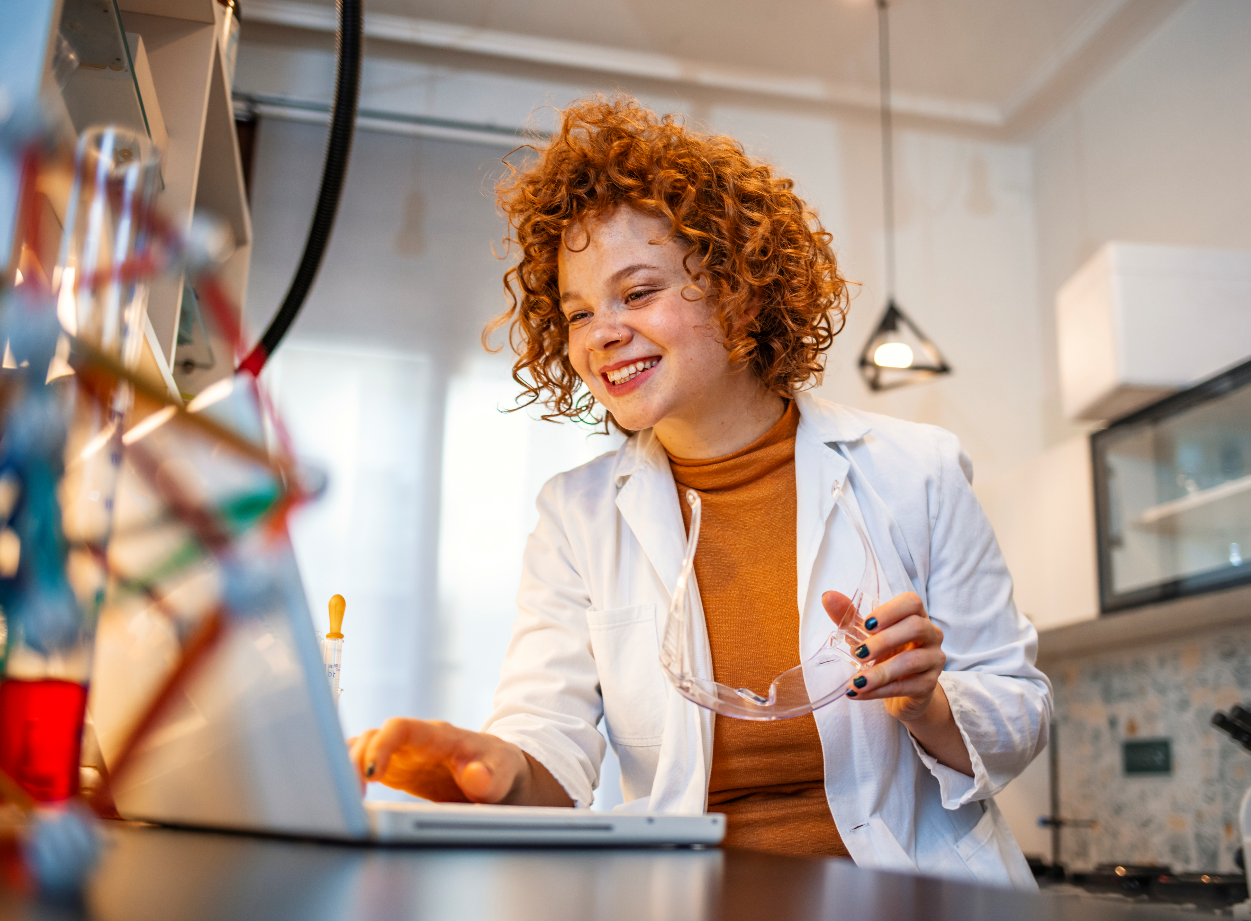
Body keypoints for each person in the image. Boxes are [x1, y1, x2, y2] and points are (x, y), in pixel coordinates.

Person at [349, 95, 1051, 887]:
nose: (599, 333)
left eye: (637, 292)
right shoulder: (576, 515)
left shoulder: (913, 468)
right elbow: (547, 747)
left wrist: (926, 700)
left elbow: (1019, 712)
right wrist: (486, 766)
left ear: (740, 289)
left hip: (915, 897)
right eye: (577, 312)